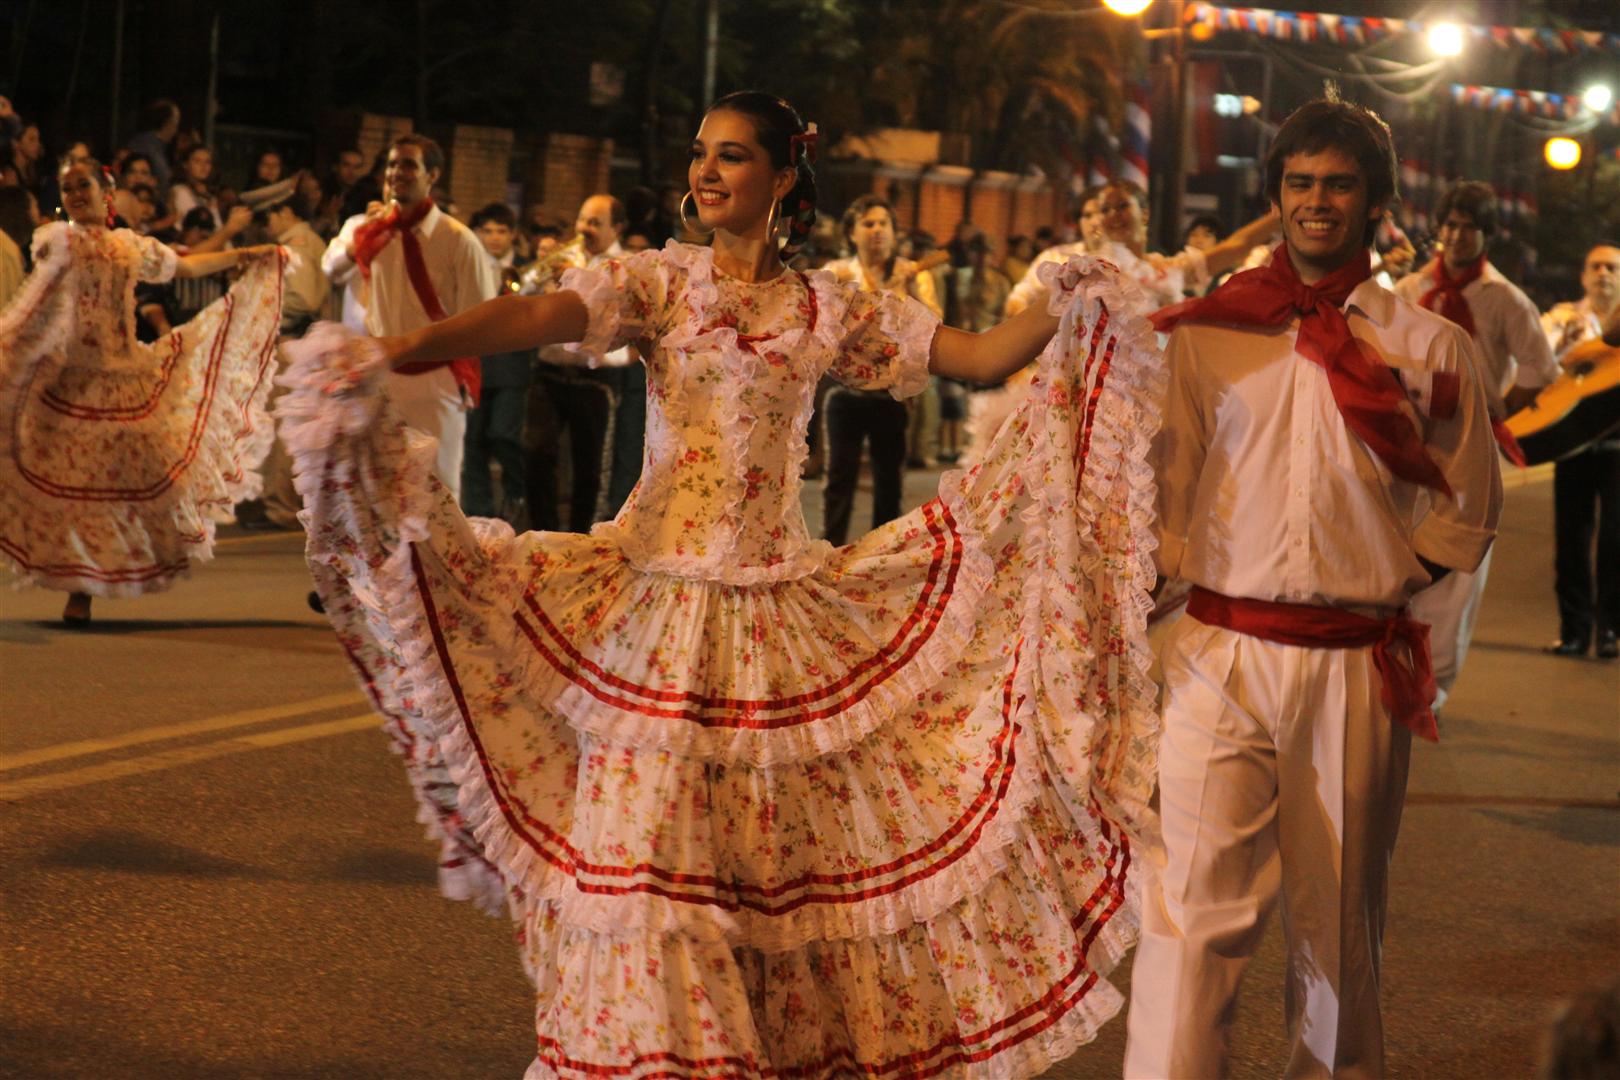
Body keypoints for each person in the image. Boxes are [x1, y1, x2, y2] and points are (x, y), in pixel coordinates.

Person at [278, 89, 1161, 1077]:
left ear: (784, 176)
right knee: (647, 869)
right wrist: (398, 347)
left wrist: (1084, 290)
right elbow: (535, 312)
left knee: (759, 872)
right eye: (701, 154)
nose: (706, 173)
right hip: (654, 615)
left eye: (732, 156)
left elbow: (981, 356)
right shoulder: (661, 283)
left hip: (779, 622)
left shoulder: (830, 304)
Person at [1125, 95, 1502, 1078]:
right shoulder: (1210, 333)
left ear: (1374, 201)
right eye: (1300, 183)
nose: (1317, 202)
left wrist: (1381, 579)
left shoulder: (1430, 348)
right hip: (1216, 655)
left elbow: (1466, 501)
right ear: (1277, 193)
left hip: (1353, 665)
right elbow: (1165, 486)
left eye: (1339, 184)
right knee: (1184, 914)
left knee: (1336, 931)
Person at [0, 159, 285, 624]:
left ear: (106, 194)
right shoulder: (60, 242)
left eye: (83, 185)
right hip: (71, 383)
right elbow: (34, 303)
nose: (74, 193)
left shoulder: (127, 246)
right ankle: (80, 591)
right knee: (72, 488)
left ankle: (108, 572)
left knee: (139, 482)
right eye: (67, 187)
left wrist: (244, 255)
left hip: (125, 378)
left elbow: (185, 267)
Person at [1393, 180, 1560, 703]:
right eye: (1449, 225)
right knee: (1404, 548)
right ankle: (1399, 663)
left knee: (1459, 559)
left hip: (1473, 442)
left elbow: (1541, 368)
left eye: (1468, 226)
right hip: (1411, 441)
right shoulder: (1410, 290)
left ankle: (1435, 680)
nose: (1456, 236)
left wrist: (1501, 411)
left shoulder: (1505, 298)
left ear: (1487, 234)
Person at [320, 134, 497, 499]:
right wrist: (364, 238)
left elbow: (481, 318)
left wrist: (461, 374)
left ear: (432, 174)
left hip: (433, 380)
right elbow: (332, 269)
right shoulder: (368, 230)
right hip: (377, 376)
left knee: (437, 492)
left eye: (408, 164)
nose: (396, 173)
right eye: (391, 164)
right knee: (376, 490)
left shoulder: (457, 239)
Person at [821, 194, 942, 543]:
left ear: (894, 231)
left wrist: (908, 292)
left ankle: (882, 558)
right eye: (868, 224)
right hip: (844, 390)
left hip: (892, 392)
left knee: (889, 482)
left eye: (883, 224)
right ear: (851, 233)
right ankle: (831, 551)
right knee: (838, 480)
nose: (876, 231)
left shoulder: (914, 273)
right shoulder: (839, 272)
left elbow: (934, 324)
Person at [521, 193, 641, 531]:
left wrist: (575, 275)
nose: (584, 228)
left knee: (589, 467)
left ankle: (581, 536)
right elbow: (521, 298)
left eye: (594, 223)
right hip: (550, 371)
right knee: (536, 454)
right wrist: (538, 268)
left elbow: (612, 310)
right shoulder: (563, 257)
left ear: (617, 228)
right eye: (582, 220)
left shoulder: (628, 266)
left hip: (596, 378)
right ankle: (541, 531)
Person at [1540, 242, 1620, 659]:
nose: (1604, 273)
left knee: (1615, 540)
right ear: (1583, 276)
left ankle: (1610, 630)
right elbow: (1537, 370)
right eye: (1596, 267)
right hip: (1572, 444)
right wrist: (1560, 349)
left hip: (1617, 447)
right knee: (1570, 540)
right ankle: (1574, 630)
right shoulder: (1563, 319)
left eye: (1612, 267)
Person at [462, 201, 531, 524]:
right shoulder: (467, 264)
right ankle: (480, 514)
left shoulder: (528, 268)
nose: (493, 238)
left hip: (511, 367)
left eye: (501, 231)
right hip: (475, 362)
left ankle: (517, 492)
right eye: (487, 231)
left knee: (503, 434)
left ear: (513, 235)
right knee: (473, 441)